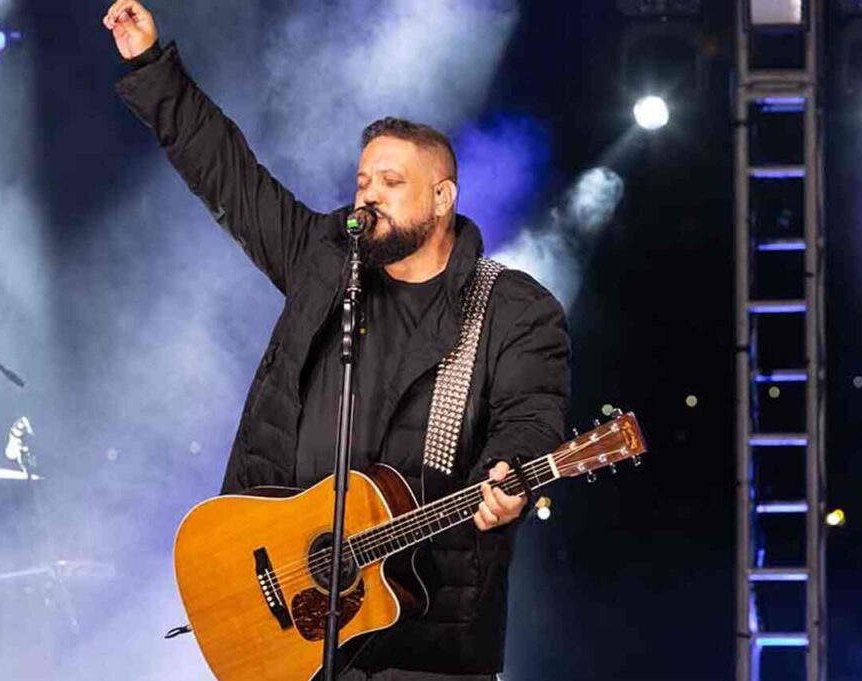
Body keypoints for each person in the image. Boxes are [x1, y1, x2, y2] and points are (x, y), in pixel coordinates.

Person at [103, 2, 570, 679]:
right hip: (289, 610)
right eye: (361, 181)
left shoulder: (512, 308)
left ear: (442, 198)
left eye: (390, 183)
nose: (367, 196)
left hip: (424, 642)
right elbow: (229, 174)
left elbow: (532, 417)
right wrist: (152, 66)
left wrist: (513, 470)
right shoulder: (325, 259)